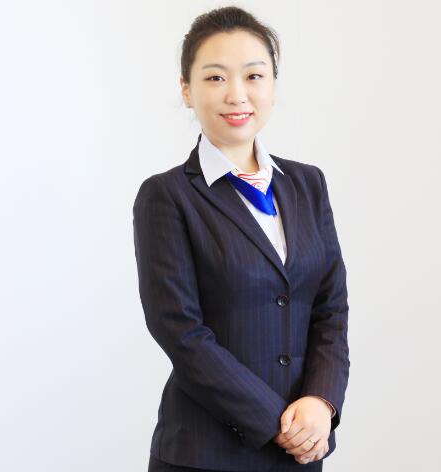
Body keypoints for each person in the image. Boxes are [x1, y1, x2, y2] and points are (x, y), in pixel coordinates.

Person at [133, 6, 349, 472]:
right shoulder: (166, 196)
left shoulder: (308, 184)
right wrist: (279, 423)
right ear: (186, 89)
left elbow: (330, 309)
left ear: (272, 85)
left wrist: (322, 402)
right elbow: (180, 332)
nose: (237, 94)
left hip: (301, 450)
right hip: (205, 454)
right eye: (215, 78)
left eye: (254, 76)